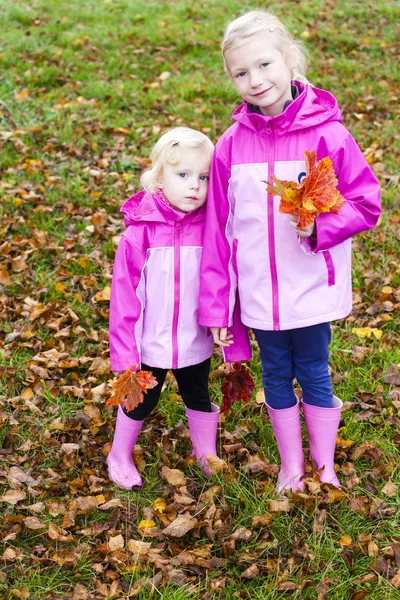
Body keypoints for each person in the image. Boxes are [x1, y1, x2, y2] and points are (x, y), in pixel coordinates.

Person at [199, 11, 381, 493]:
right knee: (276, 372)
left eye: (264, 65)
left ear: (290, 60)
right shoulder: (229, 148)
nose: (255, 80)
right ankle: (291, 468)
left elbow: (367, 203)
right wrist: (218, 304)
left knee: (314, 370)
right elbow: (219, 230)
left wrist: (320, 227)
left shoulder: (329, 135)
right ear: (230, 78)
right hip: (259, 292)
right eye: (241, 72)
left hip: (310, 285)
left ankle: (325, 466)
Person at [107, 127, 251, 490]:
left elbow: (225, 283)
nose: (194, 186)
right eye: (183, 175)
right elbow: (125, 299)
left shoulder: (211, 231)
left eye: (203, 177)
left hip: (195, 340)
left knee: (198, 395)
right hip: (150, 344)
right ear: (158, 179)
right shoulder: (139, 235)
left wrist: (230, 340)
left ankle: (205, 452)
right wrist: (126, 355)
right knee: (142, 401)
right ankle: (120, 454)